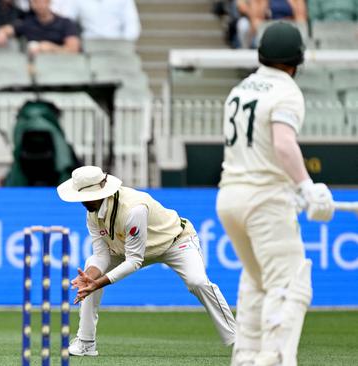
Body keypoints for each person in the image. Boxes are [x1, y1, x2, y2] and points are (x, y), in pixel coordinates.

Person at [216, 22, 334, 366]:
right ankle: (275, 359)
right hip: (263, 200)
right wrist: (305, 187)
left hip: (230, 198)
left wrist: (292, 189)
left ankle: (247, 356)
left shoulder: (240, 88)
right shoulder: (286, 91)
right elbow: (282, 143)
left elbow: (260, 150)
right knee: (290, 284)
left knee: (257, 281)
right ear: (297, 60)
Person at [58, 166, 236, 356]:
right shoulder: (92, 212)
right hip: (126, 248)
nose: (81, 201)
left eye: (83, 197)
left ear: (99, 192)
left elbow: (134, 261)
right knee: (89, 269)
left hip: (175, 242)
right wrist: (90, 279)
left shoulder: (134, 209)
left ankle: (237, 340)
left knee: (198, 282)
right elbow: (101, 254)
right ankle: (86, 342)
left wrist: (98, 283)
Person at [0, 0, 80, 55]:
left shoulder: (65, 23)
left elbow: (73, 49)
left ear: (49, 2)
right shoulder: (28, 23)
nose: (40, 5)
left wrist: (51, 48)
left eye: (42, 1)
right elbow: (8, 29)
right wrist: (1, 32)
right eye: (35, 2)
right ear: (31, 4)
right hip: (36, 69)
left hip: (63, 67)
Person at [236, 0, 307, 49]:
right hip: (267, 30)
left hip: (288, 29)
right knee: (243, 25)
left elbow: (301, 20)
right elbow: (256, 21)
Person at [56, 0, 141, 40]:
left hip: (116, 43)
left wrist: (125, 45)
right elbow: (67, 21)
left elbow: (132, 25)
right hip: (89, 44)